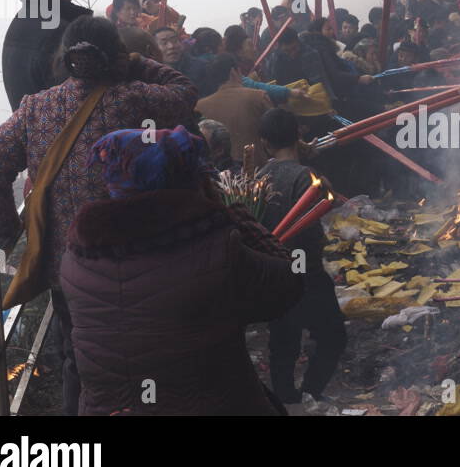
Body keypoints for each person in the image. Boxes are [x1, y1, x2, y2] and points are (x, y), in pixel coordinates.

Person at [0, 15, 198, 415]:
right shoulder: (135, 98)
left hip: (70, 270)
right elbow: (185, 91)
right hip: (138, 261)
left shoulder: (36, 107)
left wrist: (5, 231)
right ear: (116, 54)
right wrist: (137, 61)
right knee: (148, 356)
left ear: (65, 57)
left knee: (79, 359)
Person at [60, 126, 302, 415]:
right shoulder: (216, 247)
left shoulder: (76, 257)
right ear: (191, 179)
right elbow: (288, 285)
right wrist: (236, 216)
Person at [257, 109, 346, 405]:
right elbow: (310, 224)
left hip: (273, 271)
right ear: (298, 134)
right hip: (305, 270)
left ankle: (286, 398)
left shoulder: (259, 176)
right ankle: (310, 390)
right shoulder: (305, 177)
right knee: (332, 334)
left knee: (283, 339)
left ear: (264, 143)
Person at [2, 0, 93, 111]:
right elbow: (83, 98)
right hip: (65, 134)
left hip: (29, 132)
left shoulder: (18, 24)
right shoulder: (62, 32)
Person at [196, 54, 273, 165]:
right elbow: (276, 135)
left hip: (221, 176)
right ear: (234, 71)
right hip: (259, 172)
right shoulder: (258, 97)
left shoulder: (200, 106)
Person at [155, 27, 213, 97]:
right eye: (164, 43)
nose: (171, 46)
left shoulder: (201, 67)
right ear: (155, 48)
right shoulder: (151, 72)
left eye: (175, 41)